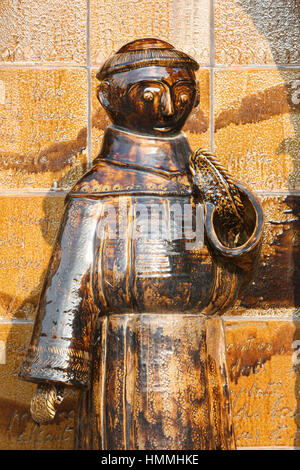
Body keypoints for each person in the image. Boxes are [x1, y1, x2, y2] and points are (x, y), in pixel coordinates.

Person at [19, 38, 263, 450]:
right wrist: (54, 371)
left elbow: (243, 259)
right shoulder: (97, 190)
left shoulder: (205, 182)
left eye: (182, 93)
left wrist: (237, 222)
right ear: (109, 98)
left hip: (200, 350)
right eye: (150, 94)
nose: (169, 108)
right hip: (123, 361)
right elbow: (69, 282)